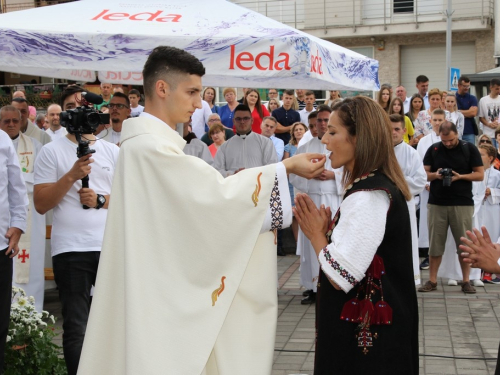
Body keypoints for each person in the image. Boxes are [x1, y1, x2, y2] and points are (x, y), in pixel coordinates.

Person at [77, 45, 326, 375]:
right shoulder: (150, 149)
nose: (198, 103)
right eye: (192, 91)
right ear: (162, 88)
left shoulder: (145, 146)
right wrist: (286, 167)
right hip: (159, 296)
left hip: (157, 283)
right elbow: (216, 199)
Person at [294, 96, 418, 373]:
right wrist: (328, 234)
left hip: (369, 350)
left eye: (333, 131)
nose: (324, 139)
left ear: (359, 137)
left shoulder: (369, 195)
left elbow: (342, 275)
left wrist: (316, 235)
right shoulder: (370, 187)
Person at [33, 85, 120, 375]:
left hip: (109, 246)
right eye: (70, 106)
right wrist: (72, 175)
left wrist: (101, 200)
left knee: (114, 324)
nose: (76, 111)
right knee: (76, 327)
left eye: (81, 106)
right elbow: (42, 204)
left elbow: (132, 198)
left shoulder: (112, 151)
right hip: (70, 250)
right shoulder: (50, 151)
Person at [418, 121, 484, 294]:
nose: (447, 143)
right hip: (437, 202)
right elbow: (423, 174)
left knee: (464, 244)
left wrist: (460, 176)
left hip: (462, 203)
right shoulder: (434, 149)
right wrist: (435, 175)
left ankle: (466, 280)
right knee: (435, 244)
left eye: (451, 140)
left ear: (457, 134)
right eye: (444, 140)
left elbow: (479, 174)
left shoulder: (468, 148)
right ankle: (432, 281)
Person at [290, 105, 343, 305]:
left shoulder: (341, 144)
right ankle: (313, 287)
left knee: (332, 244)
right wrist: (310, 177)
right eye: (318, 121)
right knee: (311, 246)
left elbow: (350, 173)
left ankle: (332, 286)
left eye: (325, 121)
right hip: (312, 199)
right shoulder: (305, 148)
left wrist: (333, 175)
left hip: (332, 200)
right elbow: (294, 175)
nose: (321, 124)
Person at [0, 105, 45, 312]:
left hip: (28, 216)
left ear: (22, 122)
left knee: (31, 262)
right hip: (5, 217)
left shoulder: (34, 145)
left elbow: (41, 179)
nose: (10, 125)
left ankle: (31, 313)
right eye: (6, 121)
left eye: (14, 121)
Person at [0, 128, 28, 373]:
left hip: (0, 246)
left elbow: (16, 187)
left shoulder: (1, 140)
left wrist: (18, 225)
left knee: (0, 324)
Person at [390, 114, 427, 285]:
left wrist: (394, 181)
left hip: (404, 204)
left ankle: (406, 280)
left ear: (404, 131)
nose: (393, 133)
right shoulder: (377, 151)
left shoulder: (411, 153)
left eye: (397, 129)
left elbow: (420, 181)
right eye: (390, 129)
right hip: (381, 205)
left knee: (404, 242)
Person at [214, 104, 278, 177]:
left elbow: (272, 167)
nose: (242, 122)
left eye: (246, 118)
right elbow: (217, 171)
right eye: (238, 119)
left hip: (258, 186)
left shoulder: (265, 143)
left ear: (252, 120)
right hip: (234, 186)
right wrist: (233, 174)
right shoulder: (224, 147)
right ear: (233, 121)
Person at [284, 121, 308, 243]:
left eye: (301, 129)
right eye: (296, 129)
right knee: (295, 214)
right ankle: (298, 243)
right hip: (292, 183)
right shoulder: (288, 147)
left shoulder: (309, 145)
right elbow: (286, 165)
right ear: (293, 132)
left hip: (306, 182)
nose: (298, 131)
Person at [456, 75, 479, 144]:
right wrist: (468, 112)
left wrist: (457, 111)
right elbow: (450, 112)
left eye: (468, 86)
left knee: (470, 152)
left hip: (469, 131)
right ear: (459, 85)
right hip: (456, 130)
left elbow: (473, 113)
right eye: (464, 86)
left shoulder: (472, 98)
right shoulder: (453, 98)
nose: (467, 88)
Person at [478, 78, 500, 147]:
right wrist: (488, 124)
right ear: (491, 87)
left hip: (499, 134)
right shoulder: (483, 100)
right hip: (488, 134)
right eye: (496, 89)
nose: (498, 91)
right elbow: (481, 117)